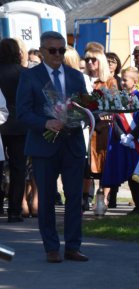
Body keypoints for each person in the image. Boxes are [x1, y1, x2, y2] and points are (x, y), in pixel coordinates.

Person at [16, 31, 89, 263]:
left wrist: (87, 115)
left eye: (61, 50)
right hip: (43, 145)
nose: (58, 54)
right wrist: (46, 122)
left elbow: (84, 106)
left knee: (75, 197)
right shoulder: (30, 77)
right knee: (46, 198)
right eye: (53, 50)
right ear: (42, 51)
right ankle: (51, 247)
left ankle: (73, 246)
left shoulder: (76, 76)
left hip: (72, 144)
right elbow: (22, 112)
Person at [106, 67, 139, 214]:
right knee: (129, 172)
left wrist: (132, 136)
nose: (123, 82)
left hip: (138, 142)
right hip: (124, 142)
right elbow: (115, 119)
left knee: (138, 172)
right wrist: (121, 136)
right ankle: (137, 203)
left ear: (134, 81)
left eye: (126, 79)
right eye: (122, 79)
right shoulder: (119, 97)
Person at [83, 44, 118, 211]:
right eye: (87, 59)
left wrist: (94, 114)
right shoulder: (81, 79)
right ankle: (83, 197)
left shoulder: (110, 82)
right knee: (84, 165)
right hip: (82, 128)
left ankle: (102, 199)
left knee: (103, 164)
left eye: (94, 60)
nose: (90, 63)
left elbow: (114, 105)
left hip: (102, 129)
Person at [0, 38, 28, 223]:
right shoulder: (24, 73)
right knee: (19, 168)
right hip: (19, 123)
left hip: (1, 122)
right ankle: (15, 210)